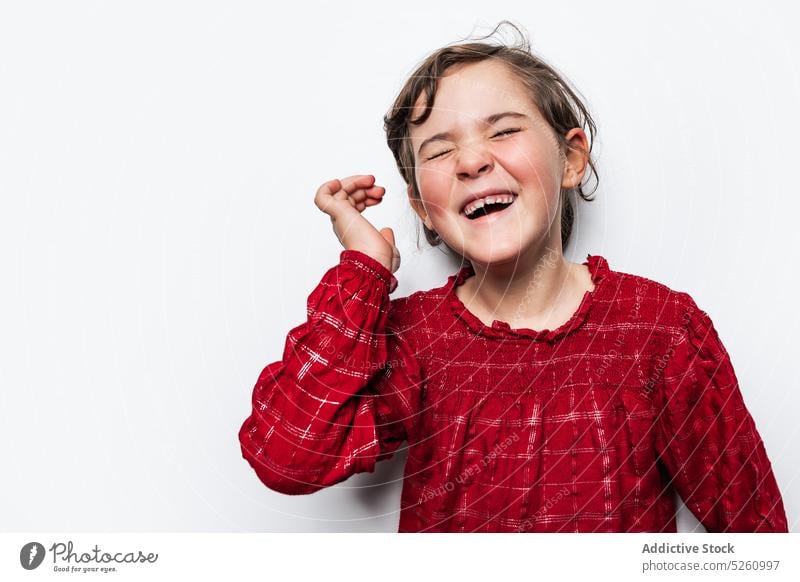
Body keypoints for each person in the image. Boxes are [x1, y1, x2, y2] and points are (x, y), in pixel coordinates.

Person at [238, 21, 788, 533]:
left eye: (501, 132)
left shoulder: (660, 331)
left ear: (571, 160)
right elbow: (288, 456)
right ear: (423, 209)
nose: (471, 162)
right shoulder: (413, 342)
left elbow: (756, 540)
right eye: (441, 149)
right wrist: (365, 270)